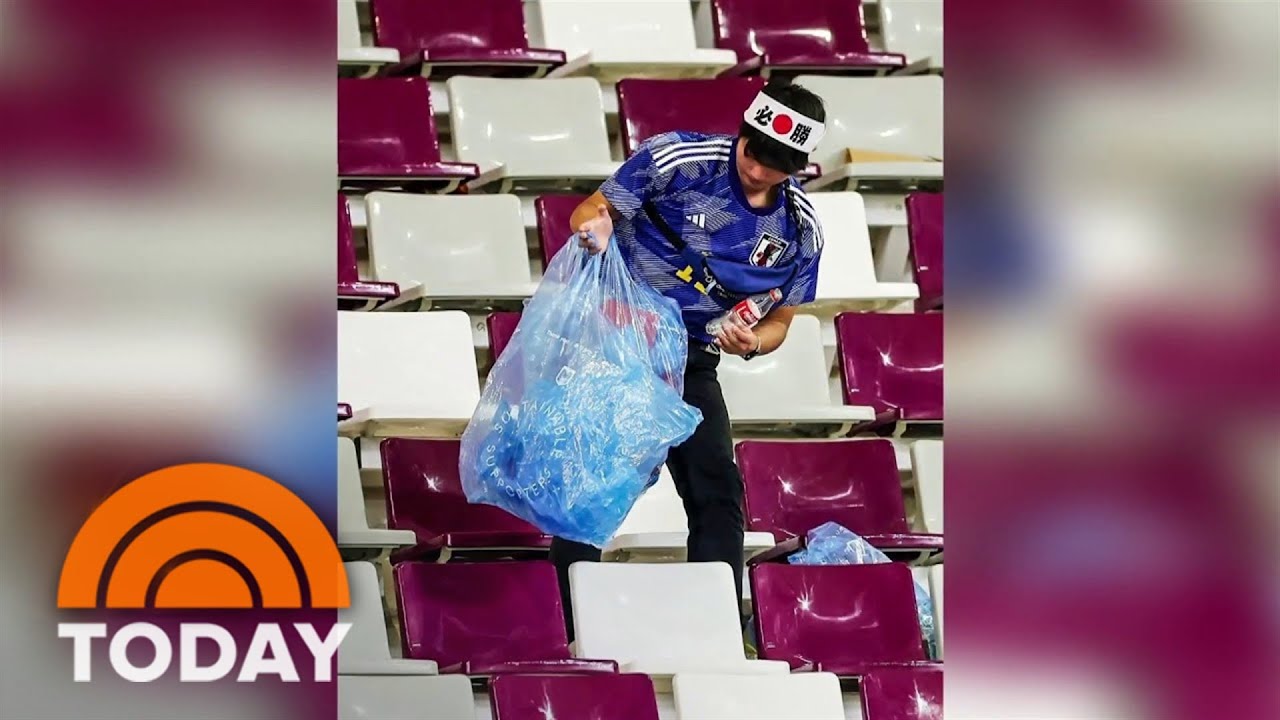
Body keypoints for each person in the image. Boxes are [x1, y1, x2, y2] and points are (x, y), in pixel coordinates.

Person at [551, 81, 828, 633]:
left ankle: (717, 628)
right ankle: (573, 626)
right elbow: (592, 208)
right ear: (743, 131)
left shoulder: (801, 229)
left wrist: (753, 343)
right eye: (754, 153)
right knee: (597, 484)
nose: (759, 171)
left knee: (718, 490)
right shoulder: (677, 158)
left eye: (777, 166)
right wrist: (594, 229)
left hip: (693, 358)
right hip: (618, 340)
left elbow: (780, 323)